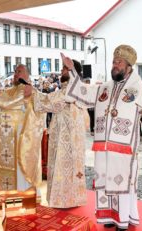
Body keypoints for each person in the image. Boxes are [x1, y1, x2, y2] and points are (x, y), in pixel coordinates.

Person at [64, 45, 142, 231]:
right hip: (103, 147)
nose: (114, 65)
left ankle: (122, 218)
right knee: (105, 179)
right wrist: (73, 71)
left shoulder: (137, 86)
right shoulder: (105, 87)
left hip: (123, 148)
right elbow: (83, 93)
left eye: (119, 62)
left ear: (129, 66)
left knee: (121, 181)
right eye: (113, 62)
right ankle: (108, 215)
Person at [0, 64, 45, 191]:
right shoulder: (8, 92)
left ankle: (23, 193)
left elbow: (7, 104)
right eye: (15, 72)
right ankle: (7, 193)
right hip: (5, 137)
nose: (16, 74)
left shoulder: (30, 90)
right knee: (7, 165)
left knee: (20, 166)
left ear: (27, 75)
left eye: (19, 71)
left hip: (20, 135)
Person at [31, 59, 87, 208]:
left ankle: (64, 200)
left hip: (67, 136)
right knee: (66, 167)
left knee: (63, 166)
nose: (61, 71)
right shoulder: (75, 88)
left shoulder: (70, 89)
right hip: (69, 134)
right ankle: (71, 198)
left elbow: (49, 102)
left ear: (72, 71)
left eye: (64, 68)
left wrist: (32, 92)